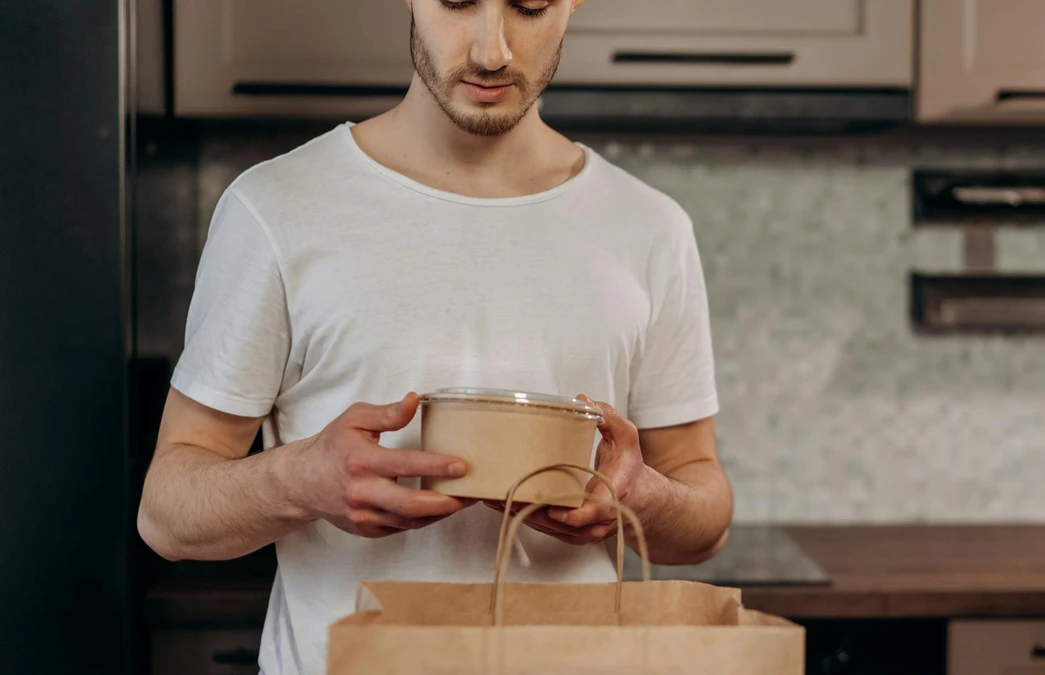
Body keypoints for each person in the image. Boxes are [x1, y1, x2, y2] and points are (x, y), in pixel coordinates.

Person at [137, 0, 733, 673]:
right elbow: (165, 513)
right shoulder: (276, 208)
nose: (491, 51)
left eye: (530, 6)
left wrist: (646, 498)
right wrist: (299, 481)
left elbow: (704, 509)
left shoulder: (649, 227)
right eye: (456, 2)